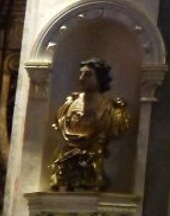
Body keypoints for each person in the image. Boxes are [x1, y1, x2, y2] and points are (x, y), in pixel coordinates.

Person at [50, 59, 131, 191]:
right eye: (80, 74)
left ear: (100, 77)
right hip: (66, 162)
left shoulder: (113, 110)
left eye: (87, 74)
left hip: (94, 160)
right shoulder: (66, 107)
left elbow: (116, 129)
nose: (81, 78)